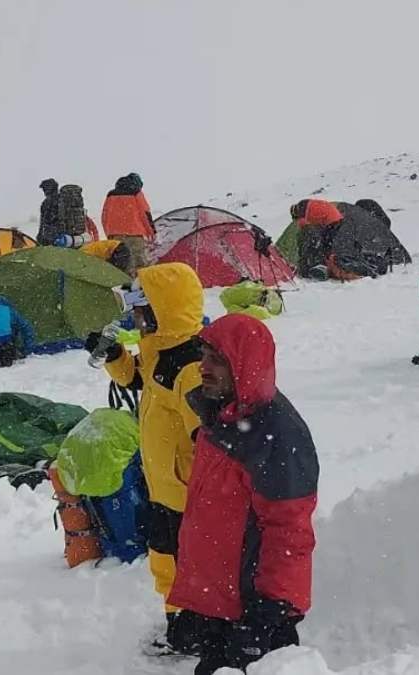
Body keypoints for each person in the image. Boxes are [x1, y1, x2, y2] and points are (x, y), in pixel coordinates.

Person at [168, 314, 318, 675]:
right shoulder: (220, 417)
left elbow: (289, 530)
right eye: (204, 356)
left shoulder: (278, 435)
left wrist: (271, 610)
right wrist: (198, 596)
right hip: (220, 604)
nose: (204, 367)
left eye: (217, 360)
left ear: (243, 364)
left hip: (254, 611)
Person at [85, 262, 204, 653]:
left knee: (192, 564)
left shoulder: (192, 367)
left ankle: (196, 629)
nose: (134, 316)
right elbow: (137, 378)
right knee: (164, 558)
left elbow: (208, 439)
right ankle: (180, 622)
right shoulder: (160, 348)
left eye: (139, 308)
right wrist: (116, 355)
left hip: (188, 493)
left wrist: (205, 491)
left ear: (160, 310)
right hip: (164, 487)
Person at [101, 173, 155, 269]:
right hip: (135, 235)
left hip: (115, 236)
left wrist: (109, 234)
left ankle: (122, 283)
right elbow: (145, 214)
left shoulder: (110, 195)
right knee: (139, 265)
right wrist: (151, 232)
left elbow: (104, 217)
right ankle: (139, 283)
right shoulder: (136, 193)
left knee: (121, 265)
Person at [0, 297, 34, 368]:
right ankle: (6, 360)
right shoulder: (11, 312)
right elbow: (27, 329)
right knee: (7, 363)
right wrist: (26, 350)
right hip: (4, 344)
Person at [37, 179, 62, 246]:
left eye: (44, 189)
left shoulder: (46, 203)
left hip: (52, 238)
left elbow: (44, 222)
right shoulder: (63, 199)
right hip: (66, 238)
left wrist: (40, 237)